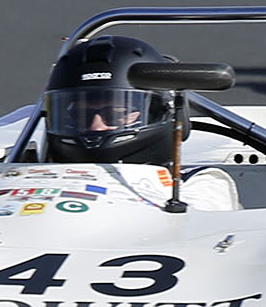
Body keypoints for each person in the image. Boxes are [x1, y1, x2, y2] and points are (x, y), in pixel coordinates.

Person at [40, 34, 239, 210]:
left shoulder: (203, 185)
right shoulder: (31, 175)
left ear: (159, 111)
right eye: (80, 115)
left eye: (115, 114)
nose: (96, 127)